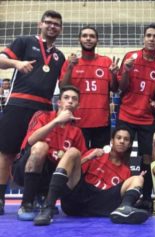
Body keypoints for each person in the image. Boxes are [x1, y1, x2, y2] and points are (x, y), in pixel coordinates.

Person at [0, 10, 65, 215]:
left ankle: (35, 197)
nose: (52, 26)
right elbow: (1, 60)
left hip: (44, 110)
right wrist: (16, 63)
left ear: (60, 29)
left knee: (40, 153)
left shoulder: (60, 56)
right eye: (48, 22)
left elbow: (64, 84)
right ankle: (0, 198)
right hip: (18, 105)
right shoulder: (24, 41)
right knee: (7, 153)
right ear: (40, 24)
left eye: (56, 24)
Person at [33, 125, 149, 226]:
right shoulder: (95, 154)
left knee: (138, 178)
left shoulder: (127, 171)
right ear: (112, 141)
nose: (122, 141)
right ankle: (48, 208)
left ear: (129, 145)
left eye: (126, 139)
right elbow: (72, 169)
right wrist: (88, 158)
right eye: (118, 138)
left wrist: (135, 197)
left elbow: (120, 197)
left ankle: (125, 210)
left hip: (102, 206)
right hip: (77, 201)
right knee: (73, 152)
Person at [12, 85, 87, 221]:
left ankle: (45, 197)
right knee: (41, 146)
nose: (70, 101)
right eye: (66, 98)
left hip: (51, 174)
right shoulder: (43, 115)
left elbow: (78, 162)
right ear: (59, 102)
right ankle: (26, 204)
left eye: (74, 99)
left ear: (77, 106)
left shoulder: (77, 132)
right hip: (24, 169)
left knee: (70, 156)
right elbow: (31, 140)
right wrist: (57, 121)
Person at [117, 23, 155, 209]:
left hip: (148, 119)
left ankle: (147, 197)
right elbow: (120, 88)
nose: (151, 39)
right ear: (144, 37)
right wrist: (126, 71)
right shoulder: (130, 57)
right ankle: (119, 195)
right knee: (121, 155)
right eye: (149, 35)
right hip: (126, 115)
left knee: (148, 158)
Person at [60, 26, 119, 149]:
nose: (88, 39)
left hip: (101, 121)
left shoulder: (106, 61)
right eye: (85, 36)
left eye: (92, 36)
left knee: (99, 159)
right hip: (76, 120)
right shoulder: (70, 62)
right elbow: (63, 87)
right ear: (79, 40)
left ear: (97, 40)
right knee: (78, 158)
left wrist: (113, 75)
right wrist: (70, 68)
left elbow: (114, 88)